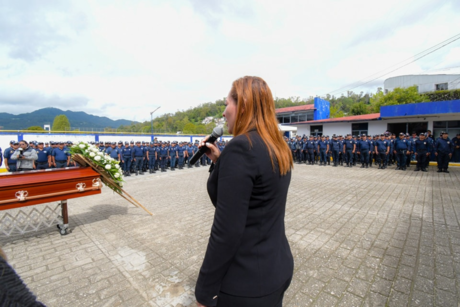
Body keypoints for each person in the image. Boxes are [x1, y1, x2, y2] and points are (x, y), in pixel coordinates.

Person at [195, 76, 293, 307]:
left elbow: (226, 231)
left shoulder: (240, 148)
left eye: (227, 104)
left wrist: (204, 291)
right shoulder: (276, 145)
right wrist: (221, 161)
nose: (223, 113)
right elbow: (256, 196)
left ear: (244, 105)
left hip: (248, 279)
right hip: (276, 264)